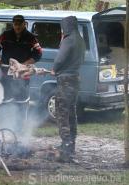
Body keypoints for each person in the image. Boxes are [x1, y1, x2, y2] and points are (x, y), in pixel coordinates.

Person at [0, 15, 42, 125]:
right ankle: (4, 124)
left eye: (20, 24)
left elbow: (38, 53)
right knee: (5, 100)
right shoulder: (5, 35)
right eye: (15, 24)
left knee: (21, 101)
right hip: (6, 73)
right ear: (13, 24)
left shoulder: (31, 38)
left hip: (23, 75)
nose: (18, 27)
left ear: (24, 24)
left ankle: (20, 127)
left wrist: (23, 64)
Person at [51, 16, 85, 162]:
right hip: (75, 79)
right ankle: (71, 144)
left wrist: (55, 69)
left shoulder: (68, 39)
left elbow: (60, 59)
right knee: (71, 113)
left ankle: (66, 146)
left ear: (66, 26)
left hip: (65, 80)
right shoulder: (81, 40)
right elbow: (82, 60)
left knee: (62, 113)